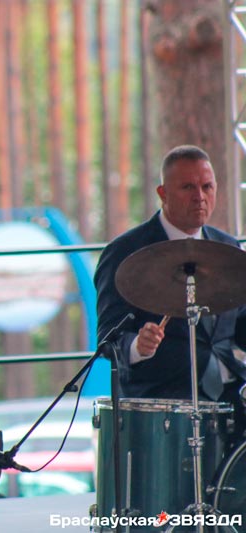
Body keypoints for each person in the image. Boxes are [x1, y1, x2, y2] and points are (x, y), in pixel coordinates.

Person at [94, 144, 246, 447]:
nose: (199, 196)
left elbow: (240, 326)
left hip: (231, 396)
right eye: (188, 187)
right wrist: (138, 346)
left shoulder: (228, 249)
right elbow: (109, 337)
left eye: (207, 187)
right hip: (163, 405)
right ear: (162, 193)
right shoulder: (126, 252)